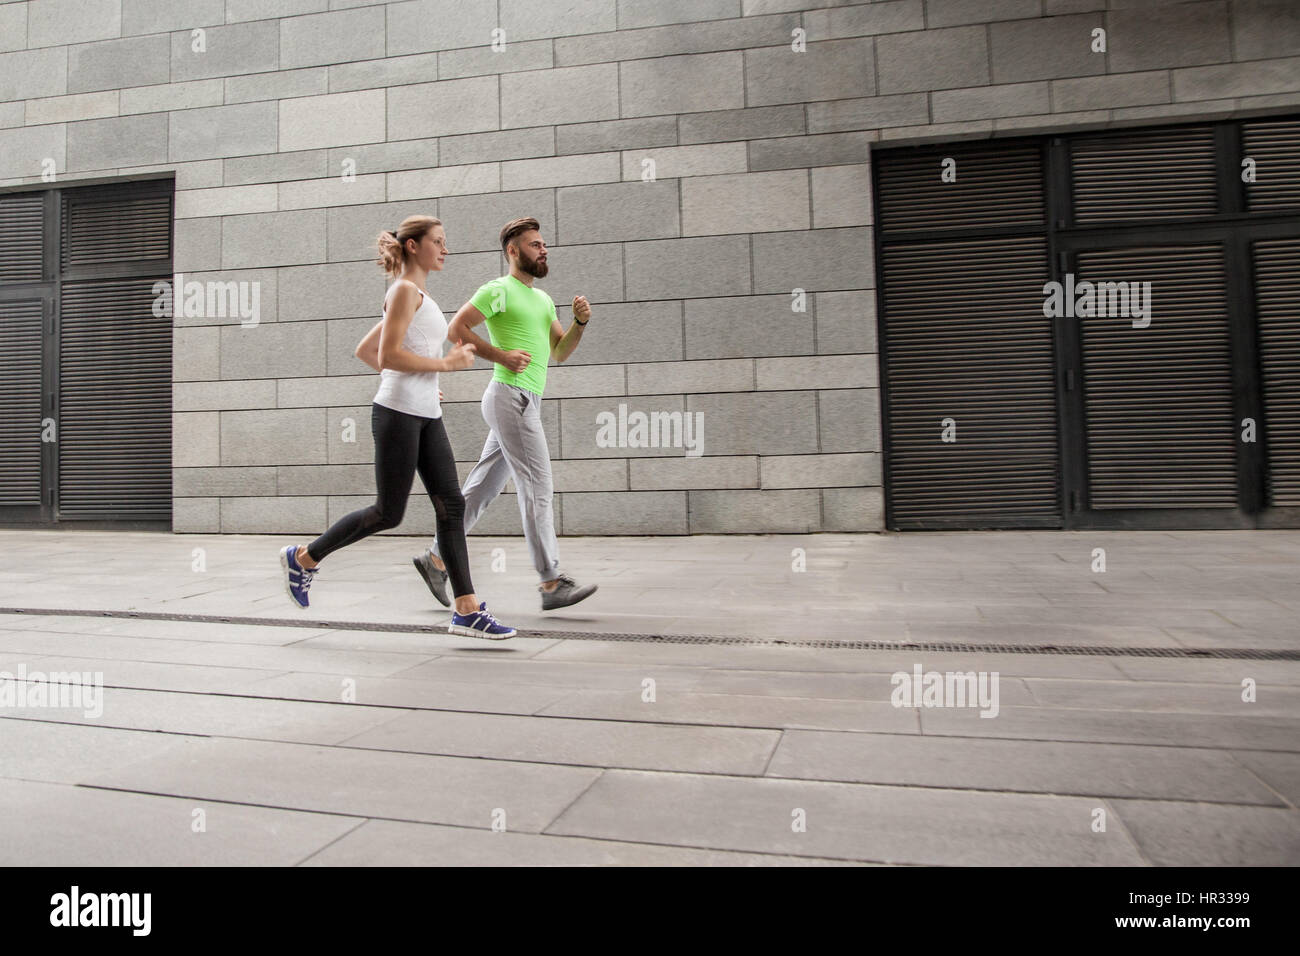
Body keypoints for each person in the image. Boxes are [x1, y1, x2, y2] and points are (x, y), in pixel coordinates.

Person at [279, 215, 516, 640]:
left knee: (452, 506)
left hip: (425, 413)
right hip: (397, 415)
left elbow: (366, 349)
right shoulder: (404, 291)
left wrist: (425, 380)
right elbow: (387, 355)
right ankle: (304, 558)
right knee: (389, 512)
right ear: (413, 246)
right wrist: (442, 365)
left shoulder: (418, 294)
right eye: (438, 242)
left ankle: (466, 609)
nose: (445, 249)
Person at [411, 217, 597, 612]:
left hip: (523, 400)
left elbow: (560, 351)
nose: (543, 250)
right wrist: (501, 355)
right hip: (510, 397)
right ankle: (551, 582)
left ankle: (435, 559)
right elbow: (456, 328)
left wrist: (579, 322)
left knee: (482, 489)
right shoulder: (500, 290)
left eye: (543, 244)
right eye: (534, 245)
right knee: (538, 486)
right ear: (513, 252)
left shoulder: (543, 300)